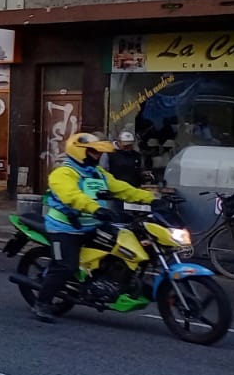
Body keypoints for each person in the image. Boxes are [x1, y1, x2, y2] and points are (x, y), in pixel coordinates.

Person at [35, 132, 156, 323]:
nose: (97, 155)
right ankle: (42, 303)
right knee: (66, 266)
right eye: (93, 151)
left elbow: (123, 188)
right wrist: (96, 209)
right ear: (79, 151)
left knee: (125, 248)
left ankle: (108, 283)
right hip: (65, 228)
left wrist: (153, 199)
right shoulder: (63, 173)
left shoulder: (98, 173)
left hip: (93, 225)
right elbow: (72, 196)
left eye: (99, 152)